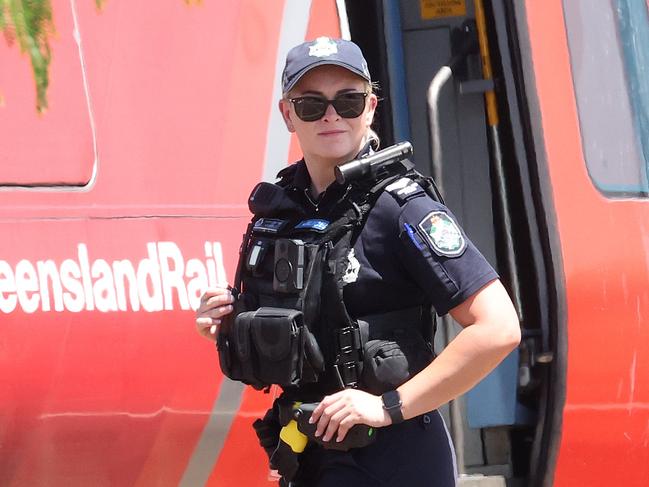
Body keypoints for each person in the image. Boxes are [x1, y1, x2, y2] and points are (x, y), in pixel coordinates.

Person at [195, 37, 520, 487]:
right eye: (311, 104)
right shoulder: (284, 209)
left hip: (392, 459)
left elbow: (498, 328)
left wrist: (388, 405)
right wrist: (226, 317)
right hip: (308, 453)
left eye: (347, 101)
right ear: (287, 114)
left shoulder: (403, 207)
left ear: (370, 107)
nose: (331, 115)